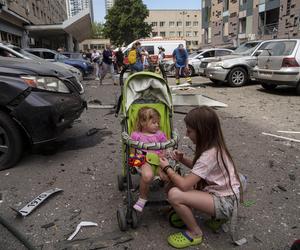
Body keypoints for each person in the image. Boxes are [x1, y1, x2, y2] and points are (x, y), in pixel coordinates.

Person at [159, 106, 242, 249]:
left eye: (189, 131)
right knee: (177, 185)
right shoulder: (213, 146)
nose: (186, 134)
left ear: (202, 132)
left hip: (225, 202)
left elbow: (184, 185)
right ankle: (195, 214)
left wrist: (167, 168)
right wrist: (182, 159)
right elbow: (201, 170)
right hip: (224, 194)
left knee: (175, 193)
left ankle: (195, 232)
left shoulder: (209, 154)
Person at [131, 107, 167, 212]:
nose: (157, 125)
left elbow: (164, 146)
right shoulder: (136, 135)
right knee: (147, 176)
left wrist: (163, 154)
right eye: (154, 122)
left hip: (159, 159)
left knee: (168, 176)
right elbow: (133, 152)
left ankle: (172, 197)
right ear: (142, 122)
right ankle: (143, 198)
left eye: (158, 122)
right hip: (143, 160)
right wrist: (135, 159)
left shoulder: (160, 134)